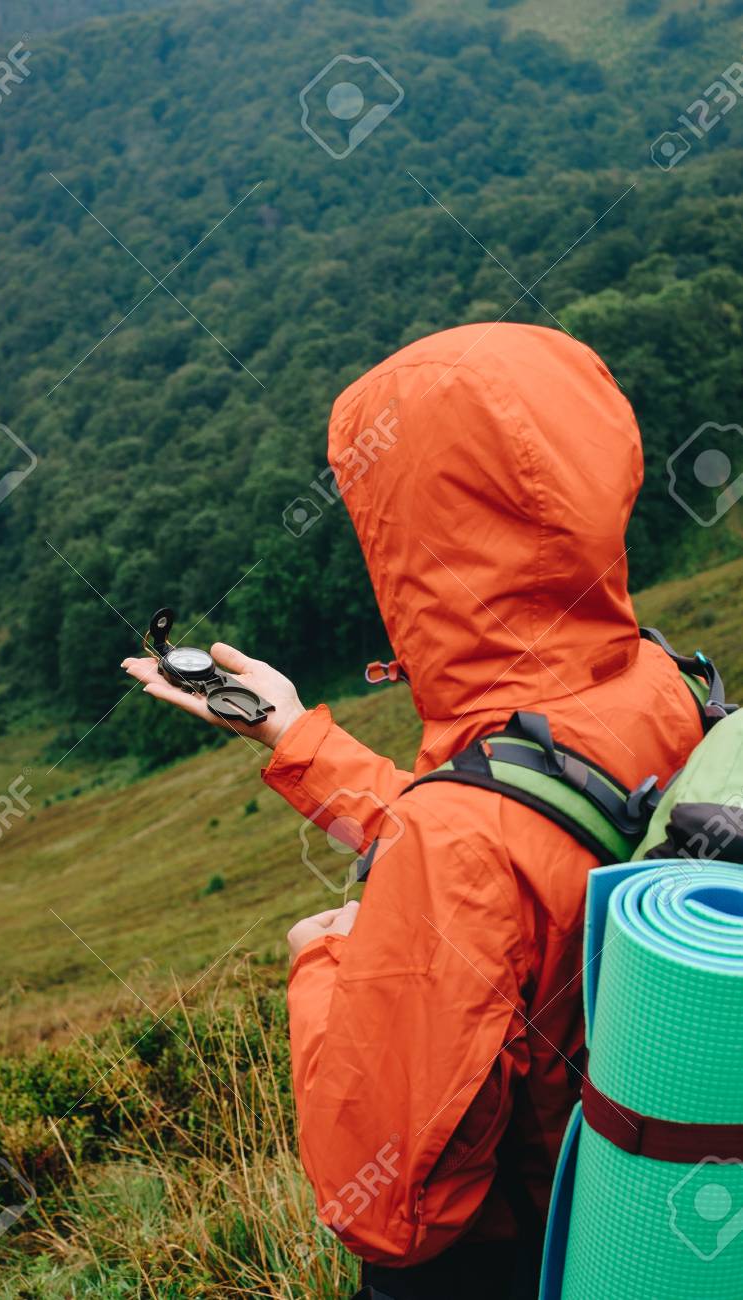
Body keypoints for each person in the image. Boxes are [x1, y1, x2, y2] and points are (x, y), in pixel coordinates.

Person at [122, 323, 704, 1299]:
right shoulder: (656, 679)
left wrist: (322, 959)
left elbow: (387, 1213)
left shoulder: (458, 837)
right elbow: (533, 834)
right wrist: (294, 735)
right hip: (631, 1216)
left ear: (414, 533)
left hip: (516, 1260)